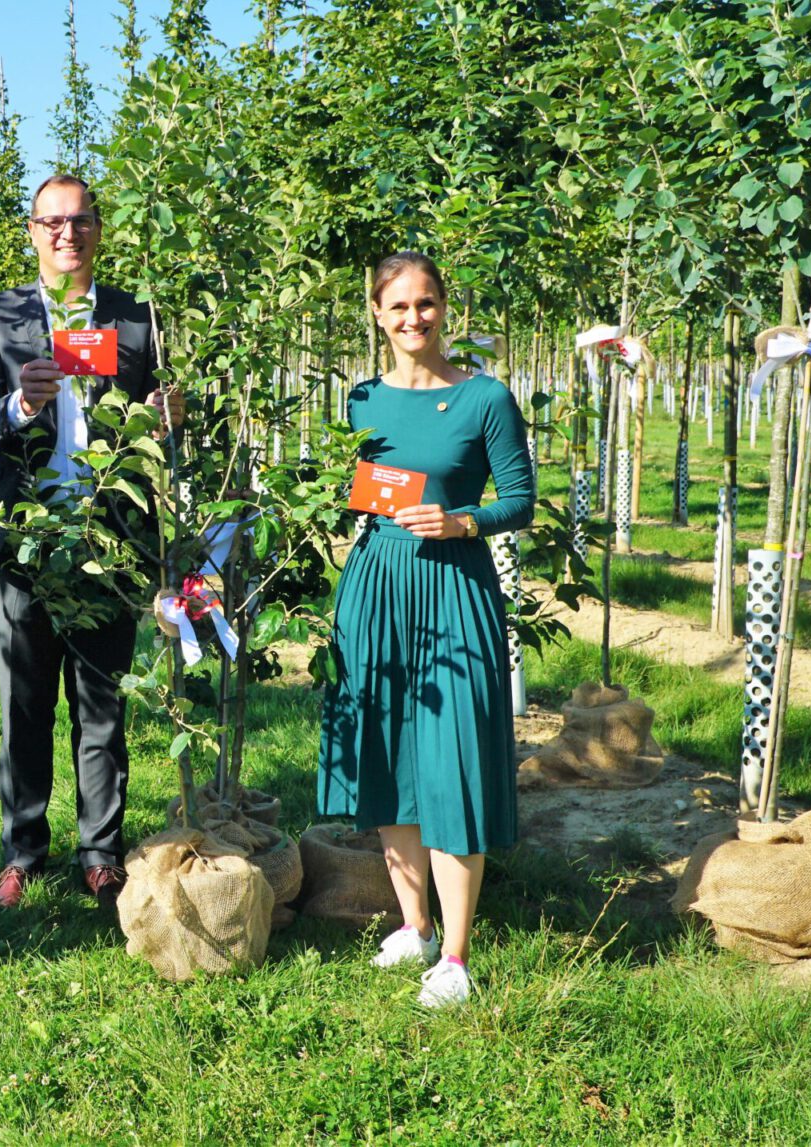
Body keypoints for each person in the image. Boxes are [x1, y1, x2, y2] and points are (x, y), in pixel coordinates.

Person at [317, 251, 535, 1008]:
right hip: (376, 586)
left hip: (453, 589)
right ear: (377, 313)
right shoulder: (361, 400)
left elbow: (522, 499)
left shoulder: (484, 399)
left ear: (447, 308)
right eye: (399, 306)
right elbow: (337, 492)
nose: (414, 318)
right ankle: (411, 922)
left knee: (453, 761)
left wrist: (461, 519)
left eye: (427, 304)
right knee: (389, 753)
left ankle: (456, 952)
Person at [0, 173, 184, 912]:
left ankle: (100, 850)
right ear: (32, 231)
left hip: (111, 539)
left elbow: (173, 423)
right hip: (25, 540)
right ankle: (23, 849)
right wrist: (21, 402)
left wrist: (169, 415)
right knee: (24, 703)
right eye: (51, 221)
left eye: (80, 219)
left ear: (98, 227)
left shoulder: (138, 318)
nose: (67, 233)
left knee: (102, 707)